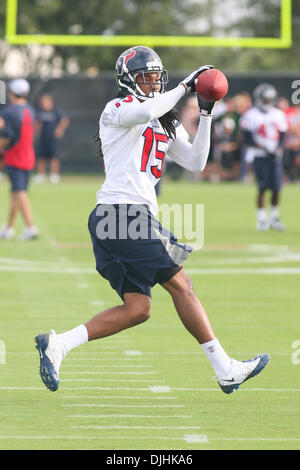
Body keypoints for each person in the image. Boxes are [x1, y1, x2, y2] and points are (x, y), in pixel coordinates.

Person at [35, 46, 269, 395]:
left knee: (138, 309)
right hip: (121, 214)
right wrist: (186, 86)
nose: (153, 84)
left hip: (122, 219)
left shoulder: (162, 119)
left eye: (157, 78)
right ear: (128, 81)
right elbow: (146, 111)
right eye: (145, 77)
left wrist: (206, 114)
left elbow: (196, 162)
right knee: (182, 285)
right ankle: (225, 368)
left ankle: (59, 345)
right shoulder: (118, 109)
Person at [240, 83, 288, 231]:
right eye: (265, 100)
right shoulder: (251, 114)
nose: (267, 103)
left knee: (276, 189)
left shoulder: (278, 114)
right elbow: (247, 138)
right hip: (259, 155)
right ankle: (262, 220)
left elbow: (283, 135)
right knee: (262, 188)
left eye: (269, 100)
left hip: (274, 156)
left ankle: (274, 218)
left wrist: (277, 148)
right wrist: (262, 147)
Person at [0, 78, 38, 241]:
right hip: (28, 155)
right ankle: (8, 228)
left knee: (19, 193)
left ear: (12, 93)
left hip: (15, 156)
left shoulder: (9, 112)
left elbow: (7, 136)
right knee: (16, 193)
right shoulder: (31, 110)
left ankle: (30, 227)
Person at [34, 93, 69, 184]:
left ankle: (54, 175)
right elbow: (37, 122)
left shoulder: (56, 111)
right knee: (41, 156)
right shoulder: (40, 111)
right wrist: (37, 131)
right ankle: (41, 175)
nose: (43, 103)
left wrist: (60, 129)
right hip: (43, 138)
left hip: (53, 138)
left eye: (45, 101)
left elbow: (64, 120)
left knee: (54, 156)